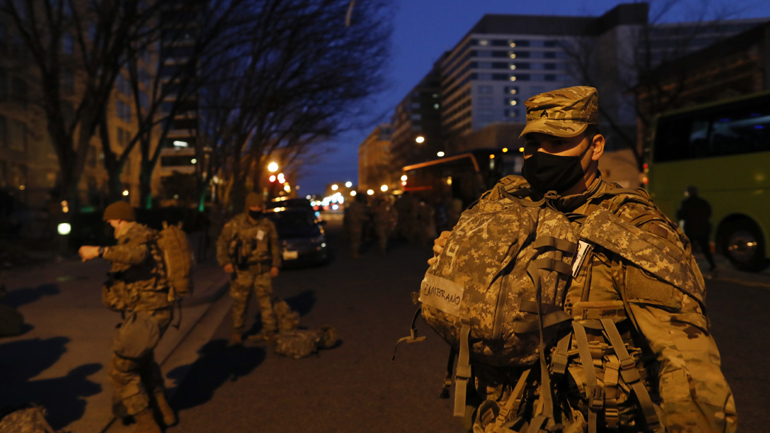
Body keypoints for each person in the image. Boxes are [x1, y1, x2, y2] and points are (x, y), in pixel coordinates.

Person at [430, 86, 736, 432]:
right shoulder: (504, 209)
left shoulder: (630, 228)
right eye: (533, 145)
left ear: (596, 147)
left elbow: (686, 359)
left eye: (558, 144)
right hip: (500, 417)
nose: (541, 154)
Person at [78, 201, 175, 433]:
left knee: (120, 372)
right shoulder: (143, 233)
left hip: (147, 314)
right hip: (151, 312)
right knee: (144, 364)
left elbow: (137, 255)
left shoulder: (137, 236)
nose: (111, 227)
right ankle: (165, 414)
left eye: (111, 223)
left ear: (119, 220)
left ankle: (147, 424)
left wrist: (99, 251)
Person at [216, 192, 281, 345]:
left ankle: (270, 331)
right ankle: (237, 332)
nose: (256, 209)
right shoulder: (236, 223)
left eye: (259, 206)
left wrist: (275, 265)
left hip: (263, 270)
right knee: (240, 303)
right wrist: (225, 262)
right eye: (253, 206)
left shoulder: (267, 224)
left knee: (266, 303)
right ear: (247, 207)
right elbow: (222, 243)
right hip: (242, 271)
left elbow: (275, 246)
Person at [677, 185, 717, 272]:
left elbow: (681, 215)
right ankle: (713, 265)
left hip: (691, 229)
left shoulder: (686, 203)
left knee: (686, 249)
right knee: (705, 249)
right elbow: (709, 213)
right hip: (703, 229)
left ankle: (683, 266)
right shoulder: (703, 202)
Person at [345, 193, 369, 258]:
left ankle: (354, 252)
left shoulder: (352, 205)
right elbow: (359, 216)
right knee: (356, 241)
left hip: (353, 225)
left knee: (354, 240)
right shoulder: (357, 206)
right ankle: (354, 253)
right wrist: (367, 218)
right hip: (356, 225)